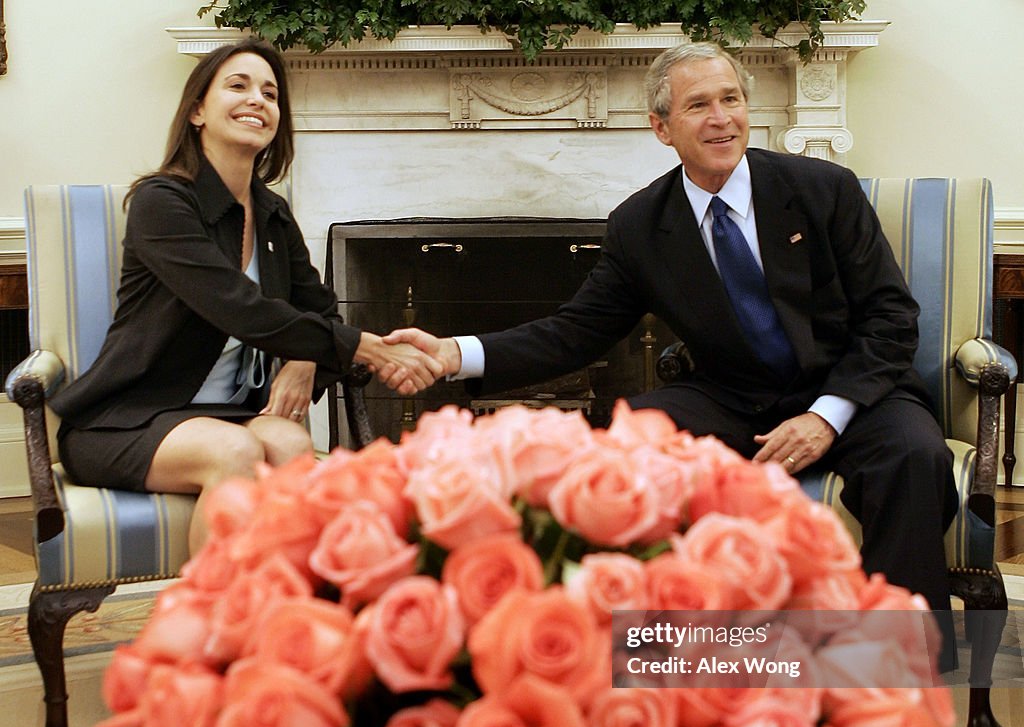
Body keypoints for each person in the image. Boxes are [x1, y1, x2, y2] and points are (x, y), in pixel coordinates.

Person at [382, 41, 959, 665]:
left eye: (732, 99)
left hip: (855, 391)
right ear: (662, 127)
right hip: (734, 395)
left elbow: (891, 316)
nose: (721, 118)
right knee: (631, 440)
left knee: (915, 454)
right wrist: (450, 354)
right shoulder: (639, 225)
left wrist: (826, 414)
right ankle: (676, 655)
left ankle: (900, 666)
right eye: (699, 105)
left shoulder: (823, 189)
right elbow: (575, 330)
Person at [50, 39, 440, 552]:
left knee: (293, 443)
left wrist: (305, 357)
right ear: (196, 111)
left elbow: (319, 309)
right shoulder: (162, 202)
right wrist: (365, 346)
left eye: (271, 93)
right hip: (125, 418)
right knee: (232, 451)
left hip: (229, 412)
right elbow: (237, 306)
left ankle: (272, 611)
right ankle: (205, 624)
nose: (258, 99)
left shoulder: (273, 213)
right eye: (238, 86)